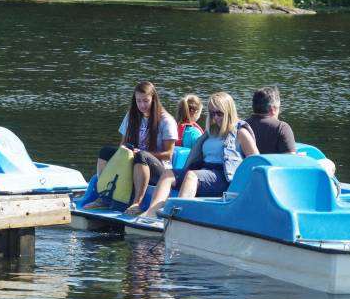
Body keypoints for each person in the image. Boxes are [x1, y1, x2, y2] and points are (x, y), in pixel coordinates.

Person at [142, 92, 259, 218]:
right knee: (168, 174)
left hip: (223, 175)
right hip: (204, 170)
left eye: (219, 113)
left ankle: (177, 217)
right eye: (212, 113)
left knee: (191, 176)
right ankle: (152, 212)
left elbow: (256, 161)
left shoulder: (240, 132)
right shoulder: (211, 132)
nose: (215, 118)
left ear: (229, 112)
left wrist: (246, 187)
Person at [85, 81, 177, 216]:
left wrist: (142, 153)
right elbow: (123, 145)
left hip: (159, 169)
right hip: (134, 161)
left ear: (153, 99)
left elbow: (168, 154)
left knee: (142, 156)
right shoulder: (131, 116)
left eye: (146, 101)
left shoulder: (166, 120)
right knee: (105, 151)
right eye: (138, 101)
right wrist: (127, 151)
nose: (142, 105)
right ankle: (103, 196)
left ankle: (137, 203)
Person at [244, 86, 296, 154]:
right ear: (273, 109)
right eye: (278, 108)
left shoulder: (242, 125)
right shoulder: (281, 128)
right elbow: (290, 159)